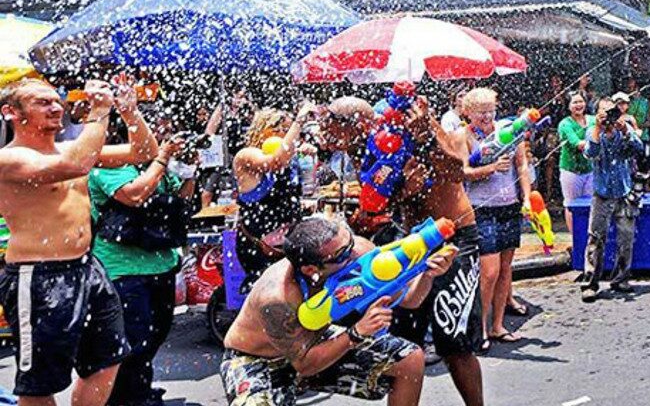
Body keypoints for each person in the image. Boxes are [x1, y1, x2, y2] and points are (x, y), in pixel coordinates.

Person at [0, 78, 158, 406]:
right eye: (41, 102)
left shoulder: (70, 148)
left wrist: (130, 114)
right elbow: (75, 165)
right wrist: (100, 111)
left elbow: (144, 152)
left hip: (87, 268)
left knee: (109, 357)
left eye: (55, 100)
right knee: (39, 384)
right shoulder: (8, 159)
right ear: (11, 113)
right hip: (39, 277)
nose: (56, 106)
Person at [220, 216, 457, 406]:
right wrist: (356, 333)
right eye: (343, 254)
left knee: (409, 359)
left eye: (350, 242)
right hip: (258, 358)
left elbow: (410, 300)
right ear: (312, 268)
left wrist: (427, 274)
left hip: (317, 341)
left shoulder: (359, 251)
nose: (354, 253)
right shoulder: (277, 298)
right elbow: (304, 364)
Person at [386, 94, 487, 406]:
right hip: (411, 241)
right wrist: (401, 187)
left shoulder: (436, 130)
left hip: (454, 238)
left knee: (454, 341)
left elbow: (457, 170)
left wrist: (426, 138)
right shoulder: (386, 138)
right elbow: (385, 196)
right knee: (404, 347)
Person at [88, 120, 197, 406]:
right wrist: (161, 158)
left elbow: (179, 199)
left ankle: (140, 391)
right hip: (122, 268)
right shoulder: (108, 164)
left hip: (160, 264)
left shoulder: (155, 164)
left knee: (154, 336)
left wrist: (190, 170)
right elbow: (134, 195)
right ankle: (126, 399)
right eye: (156, 133)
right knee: (131, 342)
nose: (162, 138)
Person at [461, 88, 532, 347]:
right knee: (488, 272)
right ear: (467, 113)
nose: (487, 116)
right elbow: (464, 171)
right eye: (481, 112)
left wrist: (526, 198)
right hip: (482, 208)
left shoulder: (509, 131)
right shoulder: (465, 136)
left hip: (509, 206)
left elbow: (521, 165)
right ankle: (478, 329)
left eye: (491, 110)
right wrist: (490, 168)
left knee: (504, 269)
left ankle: (497, 326)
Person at [232, 104, 315, 289]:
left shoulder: (288, 155)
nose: (288, 135)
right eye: (284, 130)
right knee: (269, 295)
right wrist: (299, 121)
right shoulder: (247, 155)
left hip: (287, 242)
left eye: (288, 130)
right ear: (267, 130)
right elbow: (276, 162)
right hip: (260, 244)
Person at [580, 98, 645, 302]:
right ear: (597, 114)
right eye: (604, 112)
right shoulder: (592, 131)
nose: (609, 116)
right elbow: (591, 153)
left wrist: (625, 129)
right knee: (595, 239)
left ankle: (621, 278)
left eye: (611, 111)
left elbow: (638, 148)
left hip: (624, 192)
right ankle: (590, 282)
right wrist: (598, 129)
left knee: (625, 238)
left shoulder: (622, 130)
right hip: (602, 193)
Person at [557, 93, 594, 225]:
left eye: (581, 101)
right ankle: (575, 240)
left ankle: (589, 239)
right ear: (568, 106)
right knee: (571, 205)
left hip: (590, 169)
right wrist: (596, 143)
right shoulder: (565, 124)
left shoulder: (593, 120)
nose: (579, 105)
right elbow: (577, 143)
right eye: (574, 102)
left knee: (591, 204)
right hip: (571, 170)